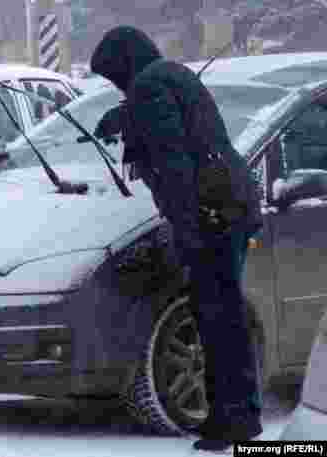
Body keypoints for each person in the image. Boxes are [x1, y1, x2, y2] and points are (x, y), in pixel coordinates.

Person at [90, 26, 263, 452]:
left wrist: (188, 230)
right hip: (229, 206)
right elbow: (187, 130)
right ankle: (237, 414)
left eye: (112, 75)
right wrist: (128, 117)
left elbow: (174, 163)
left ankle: (232, 421)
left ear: (124, 64)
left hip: (210, 217)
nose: (115, 84)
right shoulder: (169, 75)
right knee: (225, 315)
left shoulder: (150, 87)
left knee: (218, 317)